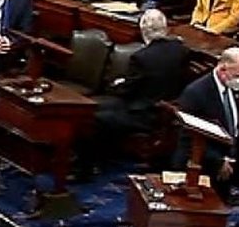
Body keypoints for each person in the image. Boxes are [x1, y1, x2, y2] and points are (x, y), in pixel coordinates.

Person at [78, 9, 189, 174]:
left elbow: (127, 91)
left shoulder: (141, 57)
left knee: (93, 117)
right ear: (165, 28)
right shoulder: (180, 50)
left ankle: (87, 167)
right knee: (97, 107)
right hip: (165, 109)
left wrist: (117, 84)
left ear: (143, 30)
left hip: (144, 113)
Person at [175, 49, 239, 193]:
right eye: (238, 76)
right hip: (204, 166)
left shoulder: (234, 88)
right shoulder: (196, 93)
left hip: (231, 162)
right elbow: (189, 137)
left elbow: (238, 125)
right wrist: (219, 162)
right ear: (223, 70)